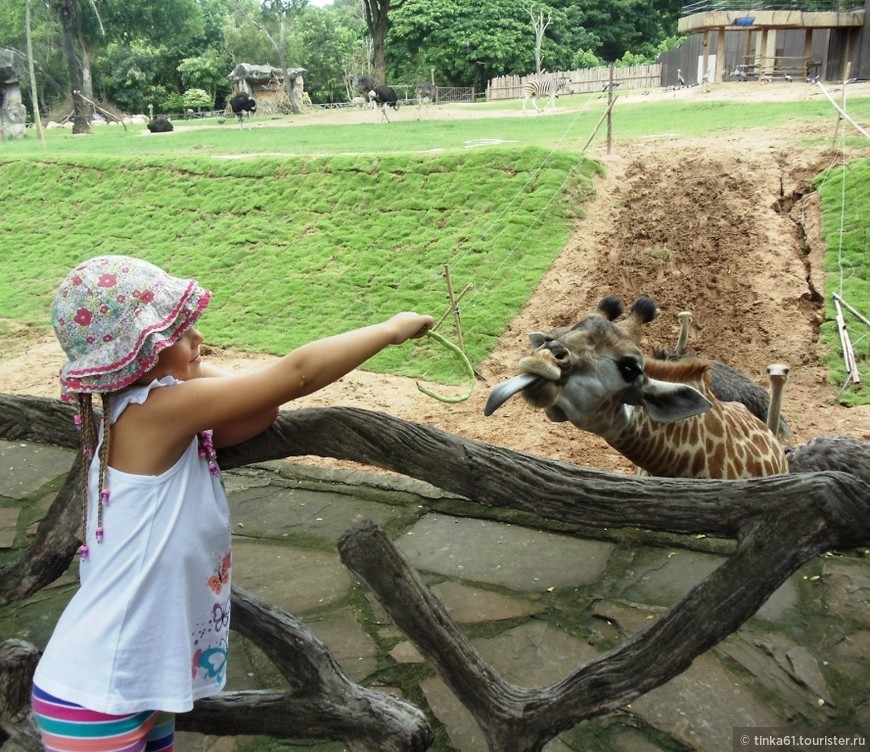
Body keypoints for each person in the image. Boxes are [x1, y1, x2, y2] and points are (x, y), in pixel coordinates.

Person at [31, 254, 433, 752]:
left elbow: (259, 413)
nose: (198, 337)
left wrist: (183, 361)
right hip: (100, 691)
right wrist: (389, 330)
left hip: (135, 684)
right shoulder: (157, 413)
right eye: (179, 332)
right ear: (140, 354)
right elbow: (297, 375)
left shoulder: (152, 412)